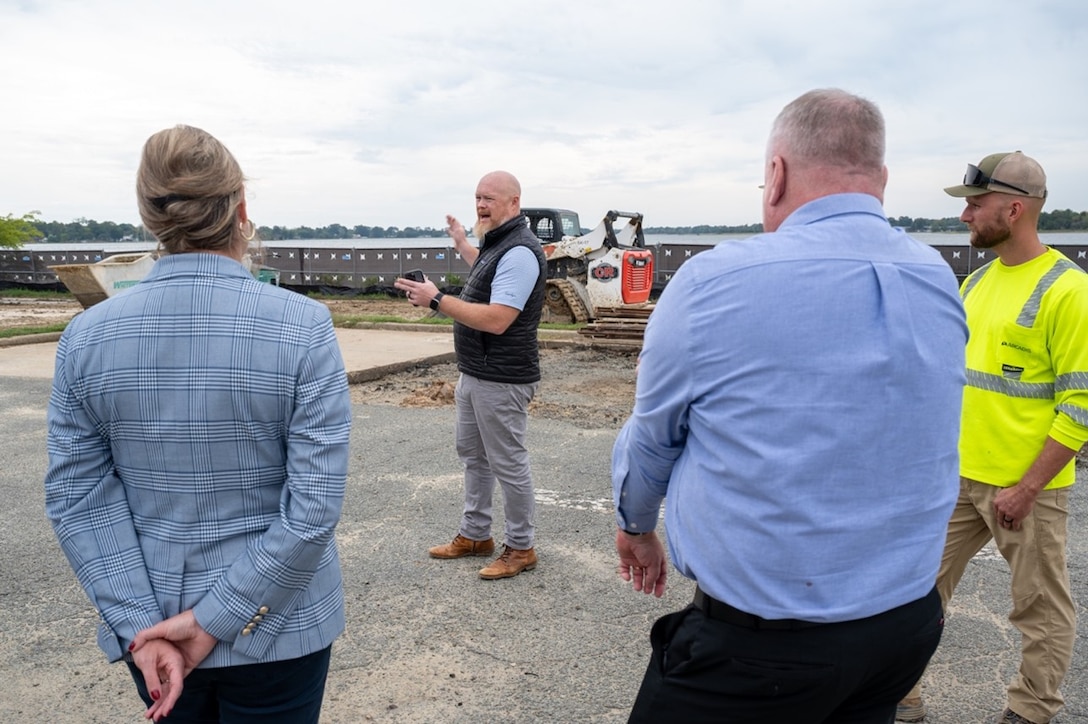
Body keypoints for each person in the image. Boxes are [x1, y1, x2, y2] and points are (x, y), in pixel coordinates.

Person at [611, 88, 968, 724]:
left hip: (761, 650)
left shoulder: (714, 282)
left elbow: (654, 437)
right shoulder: (937, 276)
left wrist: (635, 527)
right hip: (904, 627)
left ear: (775, 174)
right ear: (882, 178)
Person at [44, 125, 353, 723]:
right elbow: (313, 506)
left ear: (148, 215)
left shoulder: (86, 336)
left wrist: (140, 625)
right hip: (280, 624)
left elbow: (77, 498)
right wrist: (217, 618)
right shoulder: (303, 325)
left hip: (153, 624)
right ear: (241, 208)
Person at [897, 152, 1088, 724]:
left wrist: (1027, 488)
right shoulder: (978, 281)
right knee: (910, 589)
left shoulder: (1069, 291)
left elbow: (1079, 406)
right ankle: (900, 697)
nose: (964, 217)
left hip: (1027, 488)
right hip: (959, 479)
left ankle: (1031, 711)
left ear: (1014, 209)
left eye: (975, 205)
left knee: (1040, 608)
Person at [395, 170, 547, 580]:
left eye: (490, 199)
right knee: (474, 458)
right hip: (476, 372)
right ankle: (476, 535)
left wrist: (436, 299)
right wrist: (462, 242)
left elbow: (498, 319)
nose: (481, 205)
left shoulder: (520, 251)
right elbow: (485, 270)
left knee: (508, 463)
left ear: (514, 203)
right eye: (478, 197)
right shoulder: (499, 244)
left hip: (502, 378)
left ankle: (521, 547)